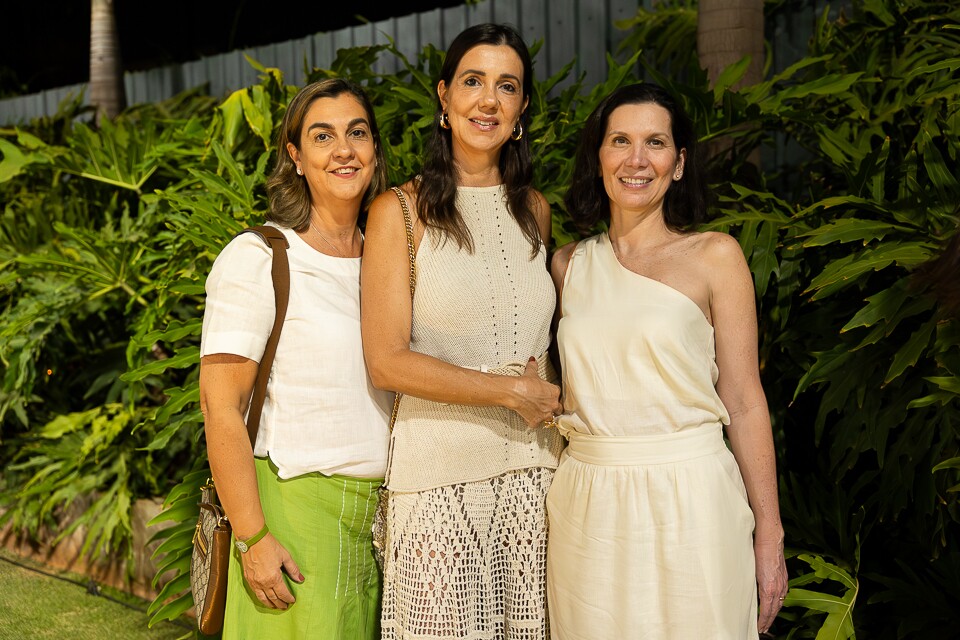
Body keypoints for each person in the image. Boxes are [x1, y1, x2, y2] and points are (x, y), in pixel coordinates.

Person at [547, 83, 788, 639]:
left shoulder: (715, 256)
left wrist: (769, 533)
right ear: (600, 157)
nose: (637, 160)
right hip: (588, 504)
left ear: (678, 164)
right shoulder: (566, 266)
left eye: (655, 143)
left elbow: (746, 402)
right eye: (620, 141)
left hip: (694, 496)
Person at [360, 23, 565, 640]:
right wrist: (506, 392)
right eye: (472, 82)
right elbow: (387, 363)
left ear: (522, 108)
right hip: (437, 482)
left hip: (535, 479)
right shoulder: (399, 211)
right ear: (444, 98)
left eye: (507, 86)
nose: (488, 101)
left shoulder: (535, 210)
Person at [199, 78, 391, 639]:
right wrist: (253, 539)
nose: (343, 150)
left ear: (374, 148)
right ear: (296, 157)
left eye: (357, 133)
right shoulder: (261, 257)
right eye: (322, 136)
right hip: (293, 515)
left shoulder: (392, 264)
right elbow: (220, 406)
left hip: (388, 527)